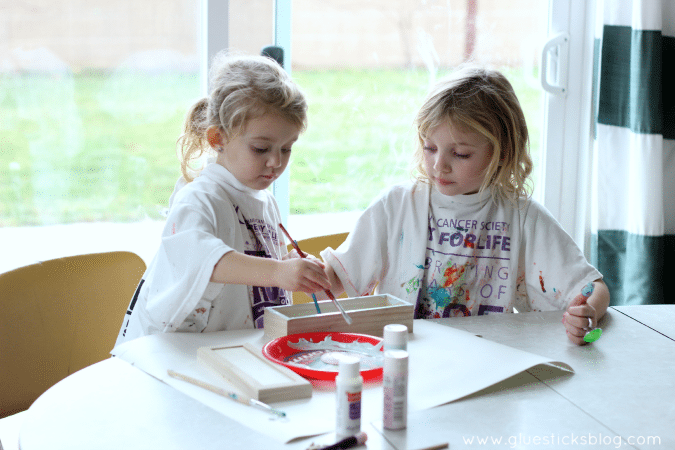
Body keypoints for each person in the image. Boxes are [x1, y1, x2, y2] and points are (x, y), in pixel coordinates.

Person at [319, 67, 609, 345]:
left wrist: (587, 314)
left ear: (501, 152)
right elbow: (338, 279)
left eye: (460, 154)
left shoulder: (521, 218)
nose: (438, 165)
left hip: (489, 364)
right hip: (408, 361)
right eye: (429, 147)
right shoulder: (395, 208)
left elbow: (593, 288)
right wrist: (302, 272)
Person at [116, 53, 330, 345]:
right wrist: (279, 272)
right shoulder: (198, 200)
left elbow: (260, 260)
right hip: (169, 356)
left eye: (287, 148)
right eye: (260, 149)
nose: (275, 162)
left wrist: (291, 263)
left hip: (226, 351)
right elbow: (205, 262)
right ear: (218, 139)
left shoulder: (263, 201)